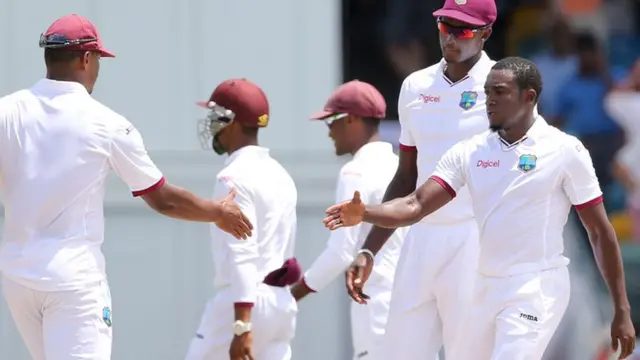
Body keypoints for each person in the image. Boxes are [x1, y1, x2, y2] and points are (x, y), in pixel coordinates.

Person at [328, 57, 636, 360]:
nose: (489, 100)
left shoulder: (565, 150)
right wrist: (365, 212)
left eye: (500, 93)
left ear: (529, 98)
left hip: (536, 285)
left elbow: (599, 231)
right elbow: (416, 203)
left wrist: (621, 310)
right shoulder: (469, 152)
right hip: (484, 286)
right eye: (487, 92)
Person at [0, 14, 253, 360]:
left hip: (17, 276)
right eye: (98, 60)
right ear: (86, 58)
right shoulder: (107, 124)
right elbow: (163, 200)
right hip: (73, 282)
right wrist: (218, 212)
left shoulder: (7, 111)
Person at [342, 0, 498, 358]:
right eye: (445, 26)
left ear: (486, 33)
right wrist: (369, 249)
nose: (451, 38)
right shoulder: (415, 86)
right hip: (420, 239)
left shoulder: (502, 86)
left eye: (463, 30)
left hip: (473, 239)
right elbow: (406, 177)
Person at [289, 80, 407, 360]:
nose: (328, 131)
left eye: (331, 120)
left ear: (352, 119)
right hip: (415, 304)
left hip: (376, 304)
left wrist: (290, 297)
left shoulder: (355, 172)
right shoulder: (401, 168)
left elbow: (340, 252)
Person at [185, 79, 299, 360]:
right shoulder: (280, 174)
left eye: (215, 116)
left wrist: (242, 325)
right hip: (281, 304)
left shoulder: (232, 177)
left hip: (243, 304)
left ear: (231, 121)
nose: (211, 124)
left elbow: (242, 254)